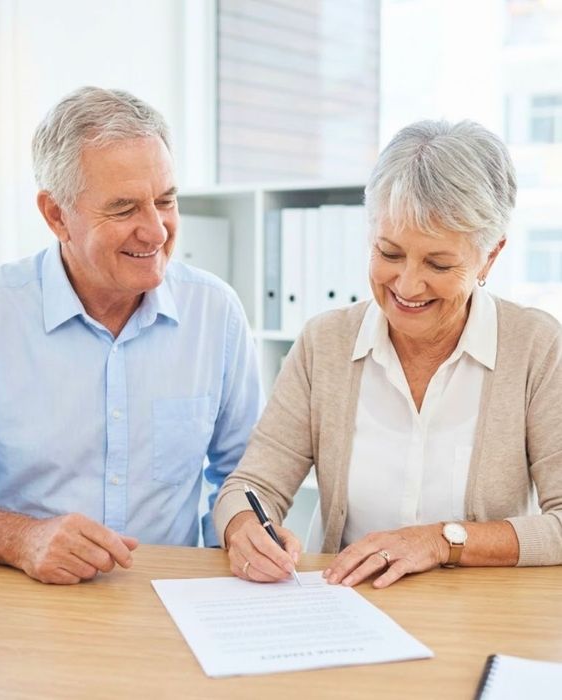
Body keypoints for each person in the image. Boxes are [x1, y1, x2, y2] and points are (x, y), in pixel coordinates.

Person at [0, 87, 262, 584]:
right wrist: (22, 538)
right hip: (28, 605)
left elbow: (245, 474)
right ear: (56, 215)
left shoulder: (216, 312)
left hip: (169, 606)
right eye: (124, 210)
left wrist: (246, 528)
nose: (157, 231)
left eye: (165, 201)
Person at [214, 119, 562, 588]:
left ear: (490, 256)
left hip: (480, 619)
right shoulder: (324, 344)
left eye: (438, 264)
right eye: (390, 254)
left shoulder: (536, 348)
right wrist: (244, 529)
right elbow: (248, 486)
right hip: (346, 611)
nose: (407, 285)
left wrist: (441, 541)